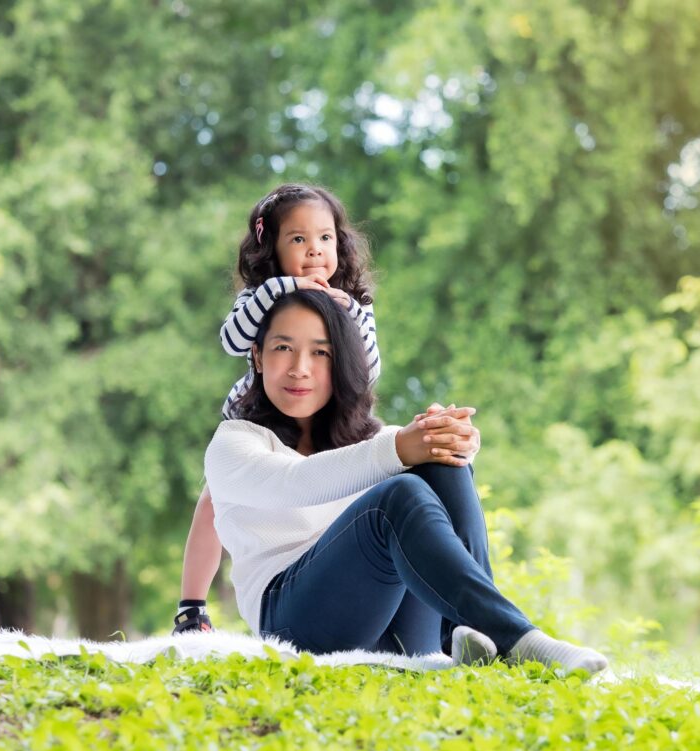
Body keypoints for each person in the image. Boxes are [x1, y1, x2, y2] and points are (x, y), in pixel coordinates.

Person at [203, 289, 609, 673]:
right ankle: (518, 639)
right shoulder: (234, 442)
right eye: (282, 348)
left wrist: (457, 438)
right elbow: (297, 483)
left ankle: (470, 633)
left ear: (341, 361)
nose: (300, 368)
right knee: (397, 494)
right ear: (257, 356)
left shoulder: (368, 443)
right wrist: (402, 446)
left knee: (435, 459)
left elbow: (412, 453)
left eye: (320, 352)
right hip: (294, 622)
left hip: (396, 628)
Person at [173, 183, 383, 634]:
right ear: (272, 247)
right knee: (214, 501)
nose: (314, 251)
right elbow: (232, 340)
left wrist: (347, 317)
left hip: (324, 420)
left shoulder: (353, 302)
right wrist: (283, 289)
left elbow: (369, 369)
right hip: (259, 418)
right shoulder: (261, 296)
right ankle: (192, 606)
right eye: (298, 240)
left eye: (325, 238)